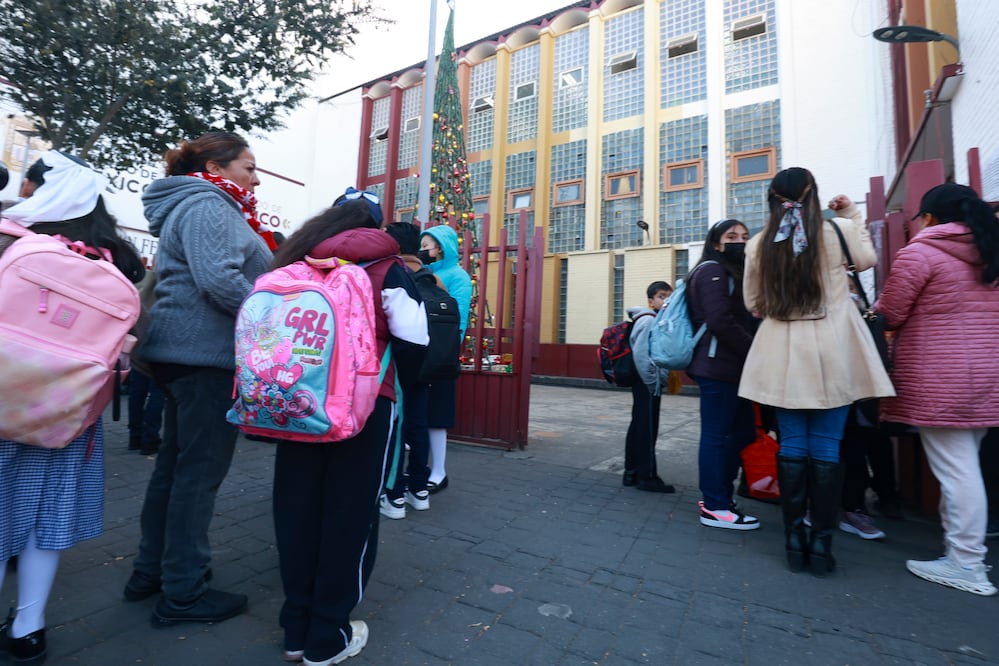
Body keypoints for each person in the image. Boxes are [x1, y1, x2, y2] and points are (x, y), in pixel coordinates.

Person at [269, 197, 428, 665]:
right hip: (365, 405)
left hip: (297, 403)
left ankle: (295, 629)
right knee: (350, 516)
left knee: (296, 510)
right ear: (375, 224)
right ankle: (329, 636)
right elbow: (416, 339)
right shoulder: (387, 265)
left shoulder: (298, 260)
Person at [123, 131, 273, 625]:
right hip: (204, 357)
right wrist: (272, 318)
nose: (255, 176)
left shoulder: (193, 204)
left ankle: (152, 573)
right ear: (215, 168)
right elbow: (219, 280)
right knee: (197, 477)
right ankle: (183, 592)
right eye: (248, 166)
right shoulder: (210, 206)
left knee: (174, 469)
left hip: (181, 355)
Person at [0, 150, 145, 663]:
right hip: (68, 414)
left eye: (32, 185)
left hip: (4, 398)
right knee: (45, 516)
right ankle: (28, 628)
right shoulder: (118, 258)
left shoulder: (11, 239)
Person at [740, 167, 894, 576]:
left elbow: (754, 301)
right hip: (834, 348)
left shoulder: (758, 244)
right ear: (814, 195)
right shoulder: (837, 231)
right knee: (828, 445)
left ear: (771, 199)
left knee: (791, 443)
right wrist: (854, 216)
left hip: (783, 351)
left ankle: (794, 541)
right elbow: (867, 260)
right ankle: (823, 547)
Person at [875, 182, 999, 596]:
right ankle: (959, 552)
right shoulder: (991, 250)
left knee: (956, 468)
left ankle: (967, 563)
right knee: (965, 464)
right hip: (988, 374)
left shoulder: (921, 253)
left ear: (928, 217)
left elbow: (891, 312)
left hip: (943, 376)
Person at [686, 219, 760, 530]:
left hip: (731, 369)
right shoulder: (712, 270)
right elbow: (719, 320)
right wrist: (755, 348)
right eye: (731, 237)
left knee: (743, 432)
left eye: (744, 236)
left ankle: (719, 495)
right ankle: (715, 505)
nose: (740, 241)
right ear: (716, 243)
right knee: (715, 437)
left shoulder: (730, 272)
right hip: (717, 368)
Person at [380, 221, 437, 518]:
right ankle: (420, 489)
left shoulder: (395, 273)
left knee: (395, 428)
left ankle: (394, 495)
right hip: (428, 366)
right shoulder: (434, 279)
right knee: (418, 425)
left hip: (399, 366)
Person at [419, 224, 472, 494]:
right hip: (419, 351)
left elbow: (459, 319)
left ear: (440, 247)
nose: (423, 250)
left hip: (440, 355)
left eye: (427, 245)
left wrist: (446, 350)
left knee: (437, 415)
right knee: (420, 414)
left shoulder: (459, 277)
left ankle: (439, 471)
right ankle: (421, 468)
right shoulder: (424, 272)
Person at [622, 281, 676, 493]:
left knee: (639, 425)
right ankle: (647, 477)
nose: (665, 301)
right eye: (661, 296)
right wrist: (654, 382)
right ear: (651, 301)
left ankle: (631, 473)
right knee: (647, 429)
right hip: (647, 383)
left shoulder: (653, 320)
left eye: (669, 297)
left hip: (644, 382)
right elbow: (642, 356)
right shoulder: (648, 321)